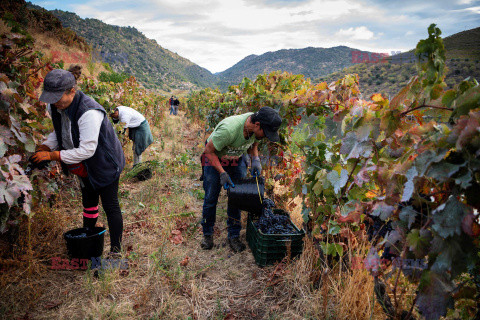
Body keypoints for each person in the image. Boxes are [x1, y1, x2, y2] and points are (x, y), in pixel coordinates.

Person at [31, 65, 126, 255]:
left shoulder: (88, 112)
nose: (54, 102)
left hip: (105, 163)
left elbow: (87, 150)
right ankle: (89, 238)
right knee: (89, 202)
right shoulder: (58, 106)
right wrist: (46, 146)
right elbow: (61, 132)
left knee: (110, 205)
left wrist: (52, 155)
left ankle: (116, 250)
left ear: (72, 91)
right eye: (51, 98)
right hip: (83, 166)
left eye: (57, 98)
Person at [200, 106, 282, 252]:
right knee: (211, 197)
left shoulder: (257, 124)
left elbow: (253, 143)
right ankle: (207, 234)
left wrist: (255, 159)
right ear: (257, 125)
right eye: (266, 133)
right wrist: (222, 173)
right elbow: (208, 152)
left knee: (237, 197)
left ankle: (233, 235)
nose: (265, 136)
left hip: (236, 159)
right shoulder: (229, 130)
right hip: (215, 158)